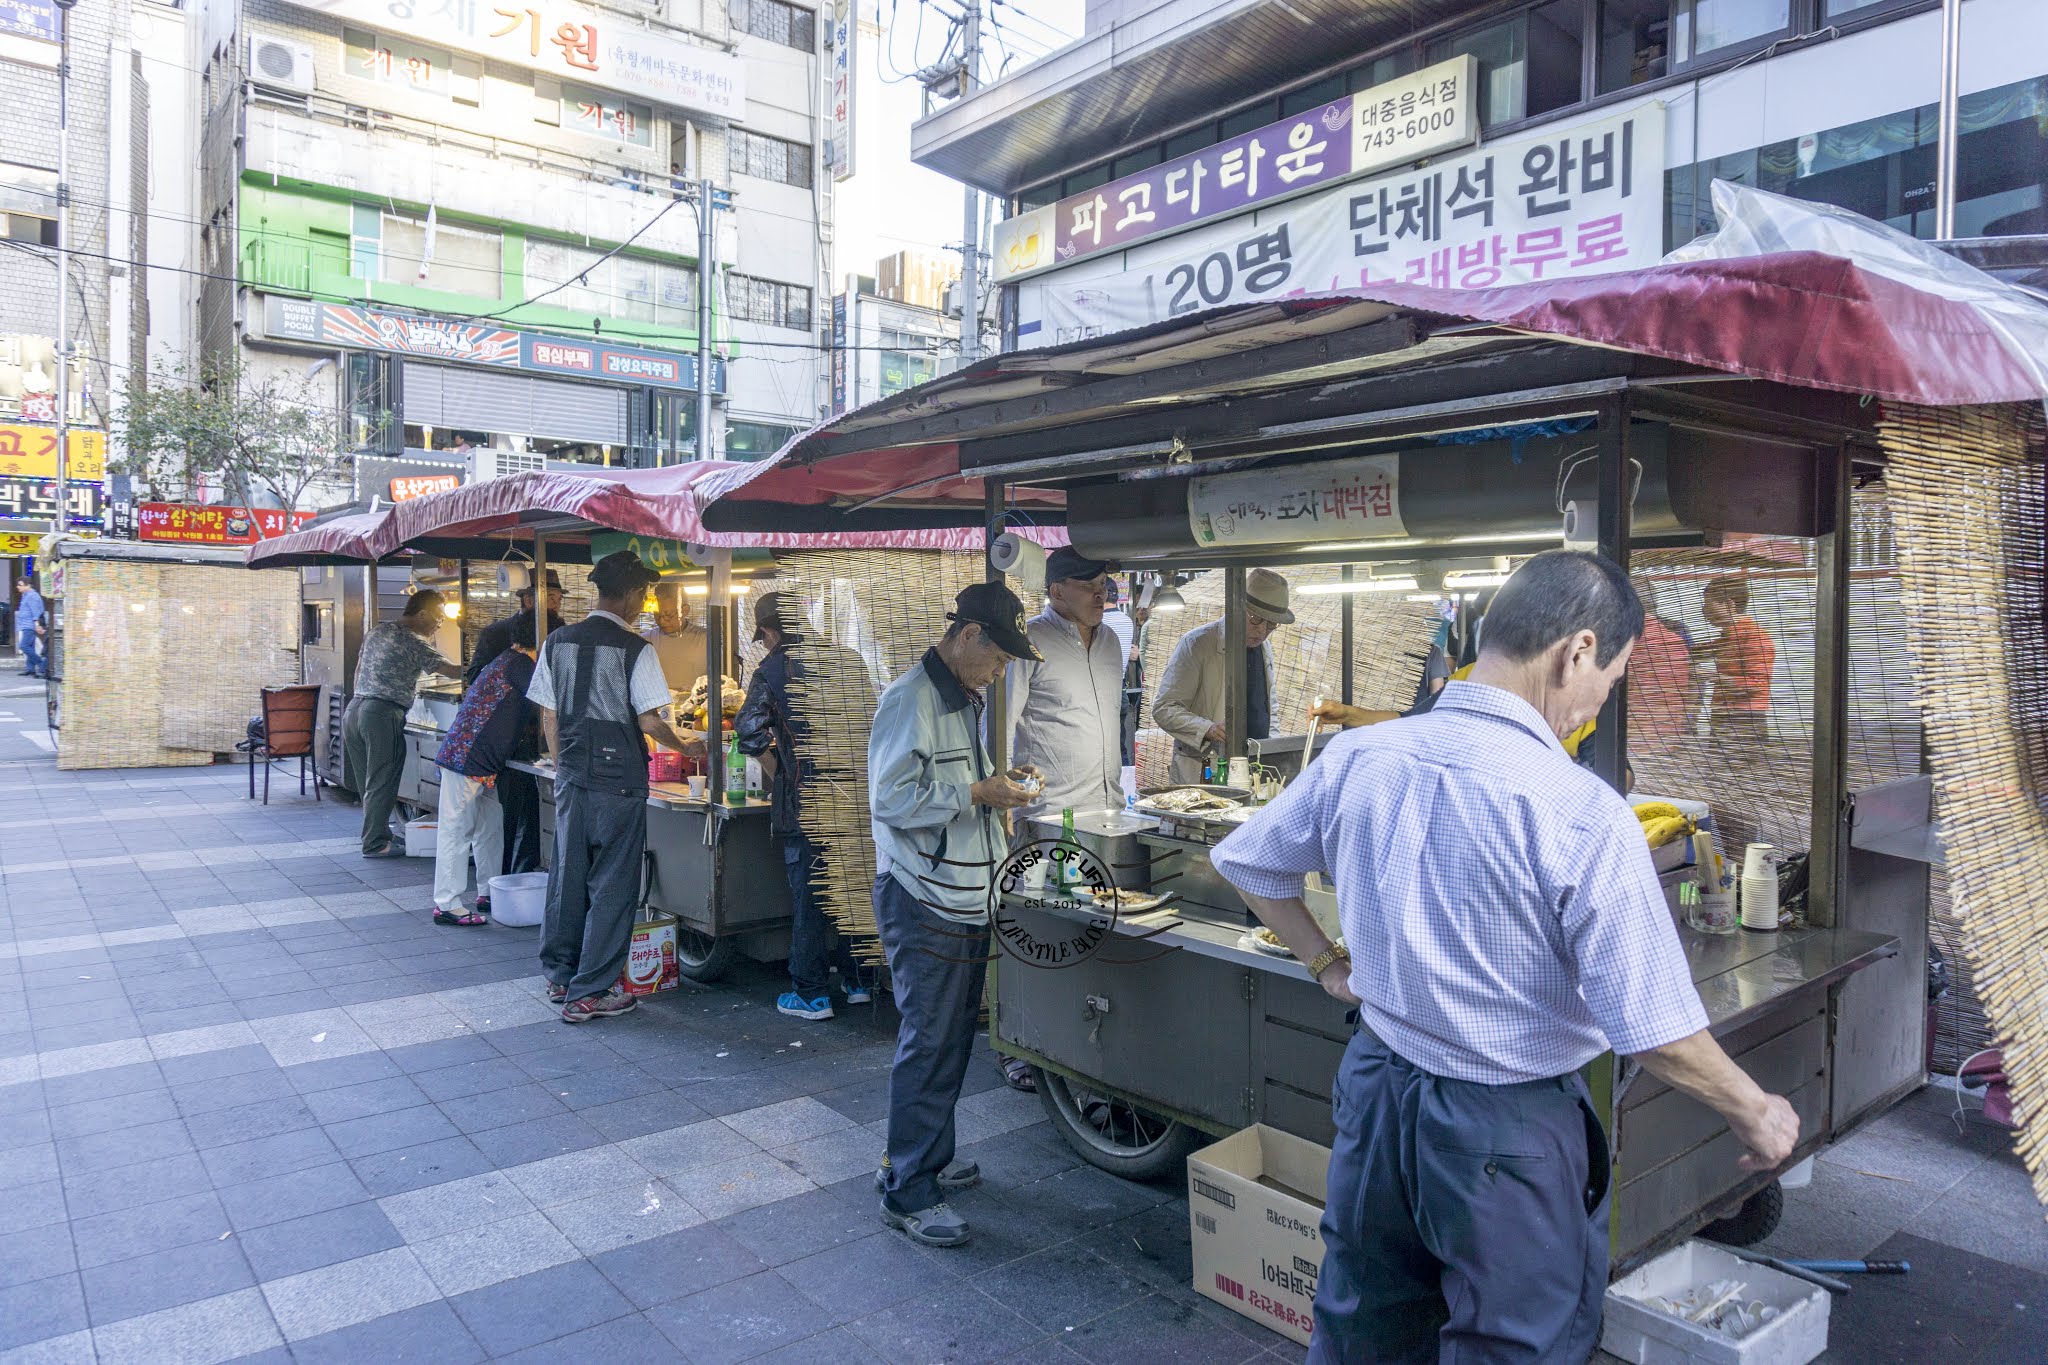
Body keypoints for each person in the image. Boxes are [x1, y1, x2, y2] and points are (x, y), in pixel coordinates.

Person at [1211, 550, 1799, 1362]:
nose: (1601, 699)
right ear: (1578, 652)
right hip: (1504, 1126)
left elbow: (1246, 860)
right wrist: (1755, 1110)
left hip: (1377, 1091)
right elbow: (1654, 1027)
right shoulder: (1580, 811)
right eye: (1611, 678)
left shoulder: (1362, 756)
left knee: (1365, 1325)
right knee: (1513, 1344)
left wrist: (1324, 961)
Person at [869, 582, 1043, 1248]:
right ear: (967, 635)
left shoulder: (960, 697)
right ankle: (908, 1189)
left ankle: (921, 1155)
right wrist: (976, 789)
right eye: (998, 657)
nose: (1001, 671)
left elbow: (950, 785)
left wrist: (998, 784)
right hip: (923, 896)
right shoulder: (909, 698)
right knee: (930, 1038)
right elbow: (892, 799)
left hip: (963, 891)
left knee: (950, 1038)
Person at [529, 551, 697, 1023]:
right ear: (631, 594)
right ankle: (592, 992)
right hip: (618, 782)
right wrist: (689, 747)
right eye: (643, 593)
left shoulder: (557, 641)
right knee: (612, 885)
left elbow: (549, 714)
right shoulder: (635, 649)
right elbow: (649, 719)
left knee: (567, 875)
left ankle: (561, 977)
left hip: (573, 778)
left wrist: (565, 768)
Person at [736, 591, 873, 1021]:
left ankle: (811, 992)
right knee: (853, 890)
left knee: (811, 896)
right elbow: (873, 718)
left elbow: (750, 734)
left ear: (770, 630)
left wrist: (782, 774)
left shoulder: (772, 669)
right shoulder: (848, 660)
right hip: (856, 796)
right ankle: (858, 982)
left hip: (808, 802)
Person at [1000, 547, 1125, 826]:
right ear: (1057, 592)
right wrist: (1004, 802)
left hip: (1109, 806)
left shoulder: (1111, 642)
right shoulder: (1028, 642)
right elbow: (1000, 727)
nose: (1100, 594)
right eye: (1087, 586)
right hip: (1049, 811)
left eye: (1103, 584)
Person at [344, 591, 463, 857]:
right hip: (382, 712)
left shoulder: (378, 631)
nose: (439, 624)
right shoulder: (412, 641)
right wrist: (484, 664)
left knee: (369, 781)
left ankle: (378, 835)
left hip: (355, 708)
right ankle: (375, 843)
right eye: (439, 618)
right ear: (422, 614)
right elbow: (451, 671)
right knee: (383, 780)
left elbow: (359, 666)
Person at [430, 641, 536, 926]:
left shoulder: (507, 658)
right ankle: (447, 904)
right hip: (466, 758)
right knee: (457, 830)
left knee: (490, 828)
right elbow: (546, 700)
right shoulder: (520, 663)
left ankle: (489, 891)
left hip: (484, 761)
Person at [1152, 567, 1292, 782]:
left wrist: (1272, 754)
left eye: (1272, 624)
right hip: (1205, 767)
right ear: (1237, 608)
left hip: (1253, 767)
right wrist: (1207, 728)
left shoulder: (1265, 650)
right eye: (1256, 619)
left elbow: (1268, 709)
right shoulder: (1197, 644)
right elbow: (1164, 709)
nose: (1263, 630)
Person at [1699, 577, 1775, 746]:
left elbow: (1757, 684)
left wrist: (1711, 676)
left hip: (1744, 721)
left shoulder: (1755, 637)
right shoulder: (1727, 638)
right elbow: (1701, 650)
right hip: (1724, 716)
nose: (1703, 610)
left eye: (1707, 603)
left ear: (1728, 604)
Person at [466, 571, 565, 688]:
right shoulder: (496, 632)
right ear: (529, 601)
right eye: (551, 598)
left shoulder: (559, 631)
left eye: (559, 599)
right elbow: (474, 676)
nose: (557, 605)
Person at [643, 581, 712, 695]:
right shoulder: (645, 641)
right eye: (657, 615)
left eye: (668, 615)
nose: (662, 621)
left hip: (697, 706)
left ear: (685, 610)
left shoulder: (705, 639)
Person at [16, 575, 45, 678]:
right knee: (30, 646)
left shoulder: (33, 596)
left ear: (28, 585)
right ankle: (30, 669)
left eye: (20, 585)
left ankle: (41, 663)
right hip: (25, 625)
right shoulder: (25, 595)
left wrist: (37, 624)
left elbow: (36, 612)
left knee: (24, 646)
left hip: (30, 625)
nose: (18, 587)